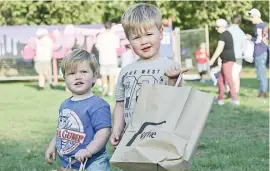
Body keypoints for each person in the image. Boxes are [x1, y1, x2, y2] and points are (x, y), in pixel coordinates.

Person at [109, 3, 187, 149]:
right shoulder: (125, 71)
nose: (144, 41)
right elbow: (120, 104)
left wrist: (173, 80)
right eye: (136, 37)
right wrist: (117, 129)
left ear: (161, 32)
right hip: (130, 138)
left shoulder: (171, 67)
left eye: (149, 34)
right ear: (129, 40)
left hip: (160, 136)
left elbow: (177, 104)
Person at [45, 49, 111, 171]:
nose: (78, 76)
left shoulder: (98, 105)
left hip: (94, 163)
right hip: (70, 162)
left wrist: (88, 150)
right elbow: (62, 130)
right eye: (72, 73)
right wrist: (52, 145)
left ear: (94, 76)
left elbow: (104, 132)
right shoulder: (65, 105)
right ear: (64, 77)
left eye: (84, 71)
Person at [209, 19, 239, 106]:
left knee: (229, 78)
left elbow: (219, 49)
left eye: (217, 27)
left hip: (228, 60)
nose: (216, 28)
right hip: (225, 60)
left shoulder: (223, 35)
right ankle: (220, 99)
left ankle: (235, 99)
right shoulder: (228, 34)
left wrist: (212, 60)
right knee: (221, 80)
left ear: (222, 27)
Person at [246, 8, 268, 98]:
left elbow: (259, 40)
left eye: (252, 17)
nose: (251, 19)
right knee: (261, 72)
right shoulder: (264, 26)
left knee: (261, 72)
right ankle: (263, 90)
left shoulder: (259, 26)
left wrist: (250, 38)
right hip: (263, 50)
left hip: (260, 51)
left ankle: (263, 91)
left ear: (256, 16)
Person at [96, 21, 120, 97]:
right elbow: (117, 47)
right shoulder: (115, 36)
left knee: (104, 75)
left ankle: (105, 89)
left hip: (103, 58)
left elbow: (98, 47)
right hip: (112, 58)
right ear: (111, 27)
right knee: (112, 76)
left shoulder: (100, 36)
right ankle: (110, 92)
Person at [227, 14, 246, 96]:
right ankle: (236, 91)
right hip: (238, 55)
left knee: (229, 73)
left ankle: (229, 90)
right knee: (236, 74)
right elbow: (244, 46)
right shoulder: (241, 33)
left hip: (228, 55)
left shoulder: (228, 30)